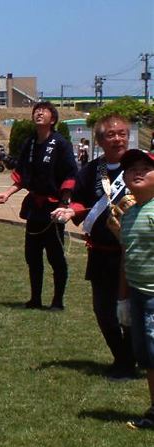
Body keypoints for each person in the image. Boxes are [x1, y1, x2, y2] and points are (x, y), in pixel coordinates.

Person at [50, 114, 137, 380]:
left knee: (135, 310)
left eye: (122, 133)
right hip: (101, 253)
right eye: (111, 134)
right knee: (104, 310)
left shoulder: (140, 167)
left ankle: (132, 360)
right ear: (100, 140)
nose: (118, 138)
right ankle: (123, 358)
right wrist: (68, 211)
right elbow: (79, 203)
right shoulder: (90, 171)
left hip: (135, 253)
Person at [0, 101, 77, 310]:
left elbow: (70, 174)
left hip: (53, 207)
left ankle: (58, 301)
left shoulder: (60, 143)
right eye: (36, 111)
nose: (39, 113)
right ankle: (35, 299)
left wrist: (64, 202)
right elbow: (22, 174)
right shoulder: (30, 143)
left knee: (56, 257)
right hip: (34, 208)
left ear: (53, 119)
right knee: (32, 256)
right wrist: (7, 192)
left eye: (44, 111)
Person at [117, 149, 154, 429]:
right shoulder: (129, 214)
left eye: (145, 168)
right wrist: (124, 298)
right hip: (139, 294)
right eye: (131, 169)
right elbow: (127, 255)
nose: (137, 173)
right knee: (146, 356)